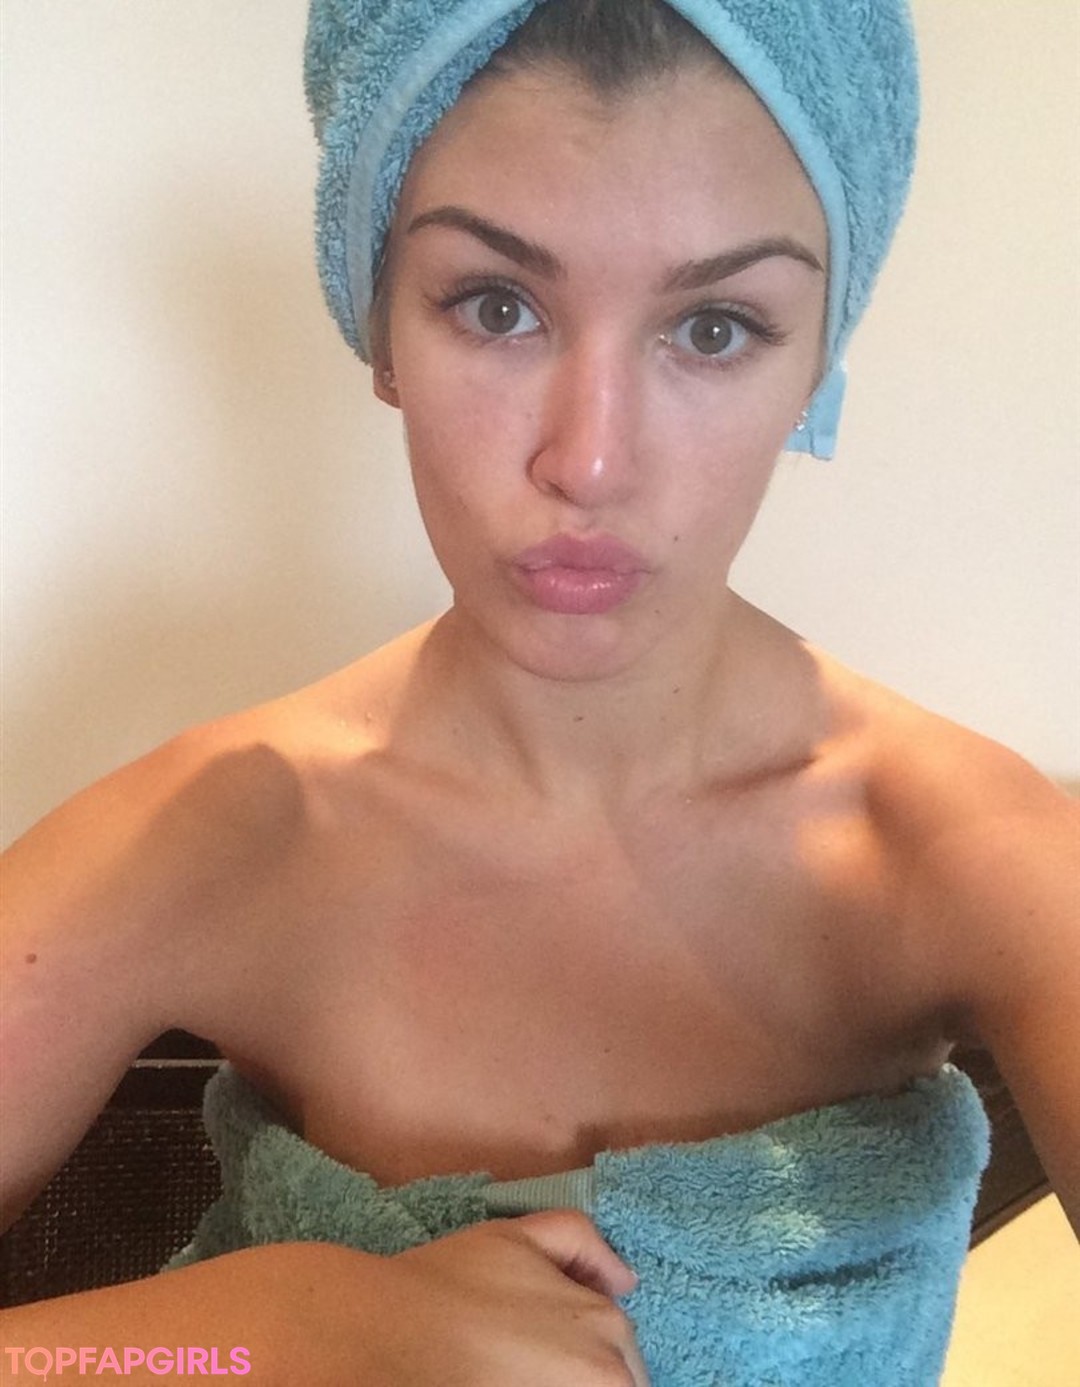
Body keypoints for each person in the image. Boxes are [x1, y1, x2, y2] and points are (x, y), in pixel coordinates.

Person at [1, 1, 1076, 1383]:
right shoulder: (219, 835)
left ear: (820, 356)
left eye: (715, 327)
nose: (590, 460)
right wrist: (265, 1334)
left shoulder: (959, 855)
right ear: (381, 326)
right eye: (496, 307)